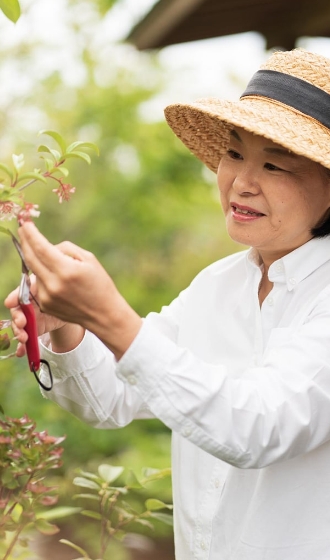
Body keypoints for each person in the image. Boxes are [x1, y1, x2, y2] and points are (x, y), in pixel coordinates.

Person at [5, 47, 330, 560]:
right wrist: (69, 325)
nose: (241, 183)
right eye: (235, 153)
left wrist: (110, 316)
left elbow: (257, 426)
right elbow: (110, 398)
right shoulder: (217, 285)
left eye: (275, 164)